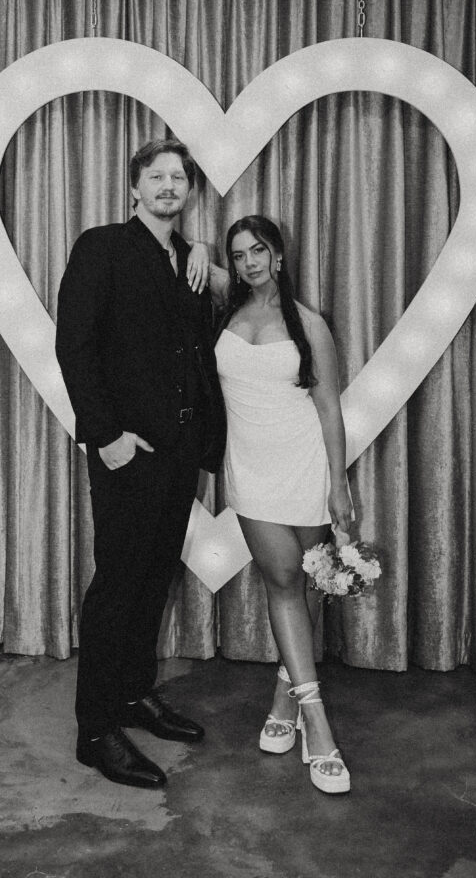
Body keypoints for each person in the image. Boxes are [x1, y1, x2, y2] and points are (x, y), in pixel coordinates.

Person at [55, 138, 225, 789]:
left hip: (179, 453)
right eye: (156, 176)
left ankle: (132, 696)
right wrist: (106, 436)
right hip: (126, 452)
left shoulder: (188, 259)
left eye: (178, 177)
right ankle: (95, 731)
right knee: (119, 583)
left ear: (189, 191)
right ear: (134, 187)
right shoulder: (101, 246)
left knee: (154, 579)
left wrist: (201, 252)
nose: (167, 185)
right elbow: (74, 344)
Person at [210, 215, 354, 794]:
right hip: (250, 472)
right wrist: (197, 252)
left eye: (258, 250)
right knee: (283, 576)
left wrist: (339, 485)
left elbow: (330, 408)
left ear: (278, 254)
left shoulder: (309, 323)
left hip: (305, 467)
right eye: (238, 254)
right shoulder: (226, 309)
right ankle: (318, 724)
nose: (248, 262)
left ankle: (284, 696)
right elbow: (191, 259)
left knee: (307, 585)